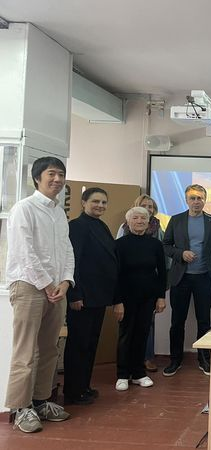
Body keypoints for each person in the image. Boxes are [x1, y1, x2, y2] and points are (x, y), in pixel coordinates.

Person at [5, 157, 73, 433]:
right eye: (51, 174)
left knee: (48, 349)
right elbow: (25, 251)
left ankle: (41, 401)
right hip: (28, 287)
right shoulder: (24, 208)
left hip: (56, 288)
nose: (57, 179)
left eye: (61, 175)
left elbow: (67, 249)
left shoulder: (59, 212)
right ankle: (21, 408)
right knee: (25, 351)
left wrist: (66, 281)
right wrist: (47, 284)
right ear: (37, 178)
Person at [162, 184, 211, 377]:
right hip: (181, 278)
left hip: (205, 278)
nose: (196, 201)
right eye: (193, 198)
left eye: (200, 198)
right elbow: (166, 245)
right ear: (186, 200)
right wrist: (181, 253)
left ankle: (204, 359)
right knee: (177, 321)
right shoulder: (176, 220)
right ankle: (175, 360)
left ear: (205, 200)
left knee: (204, 321)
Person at [63, 187, 118, 405]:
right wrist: (74, 294)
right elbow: (73, 262)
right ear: (83, 202)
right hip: (83, 297)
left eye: (104, 202)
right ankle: (73, 392)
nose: (100, 206)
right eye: (95, 201)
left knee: (90, 344)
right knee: (78, 345)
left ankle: (84, 386)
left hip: (98, 296)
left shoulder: (101, 225)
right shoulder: (77, 226)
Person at [114, 207, 167, 391]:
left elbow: (162, 273)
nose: (140, 221)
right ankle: (122, 375)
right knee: (125, 335)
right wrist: (117, 301)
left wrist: (161, 297)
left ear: (148, 222)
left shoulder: (155, 245)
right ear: (128, 222)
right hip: (125, 298)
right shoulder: (119, 245)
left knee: (142, 334)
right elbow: (115, 275)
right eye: (135, 218)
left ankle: (138, 374)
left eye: (143, 218)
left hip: (148, 298)